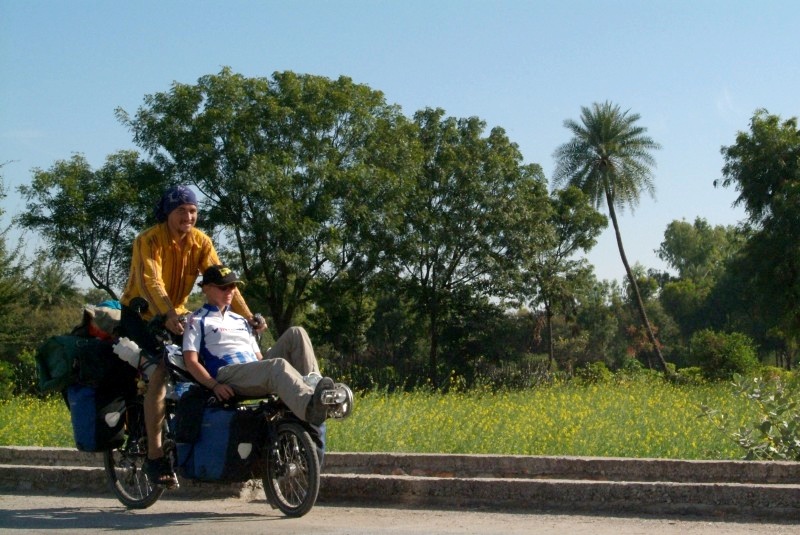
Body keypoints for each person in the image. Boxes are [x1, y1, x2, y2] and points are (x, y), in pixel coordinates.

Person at [118, 185, 265, 488]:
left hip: (177, 314)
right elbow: (151, 281)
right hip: (142, 314)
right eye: (182, 211)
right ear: (168, 213)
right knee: (161, 370)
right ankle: (155, 456)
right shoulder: (148, 239)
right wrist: (168, 314)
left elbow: (223, 283)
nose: (188, 216)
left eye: (193, 211)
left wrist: (249, 317)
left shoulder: (201, 242)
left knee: (202, 362)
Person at [182, 264, 335, 426]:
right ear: (206, 288)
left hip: (252, 368)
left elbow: (259, 358)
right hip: (228, 372)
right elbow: (191, 361)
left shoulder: (241, 320)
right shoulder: (197, 320)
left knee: (297, 332)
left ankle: (318, 392)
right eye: (223, 287)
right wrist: (214, 385)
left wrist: (268, 368)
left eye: (233, 286)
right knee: (278, 365)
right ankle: (309, 408)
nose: (230, 291)